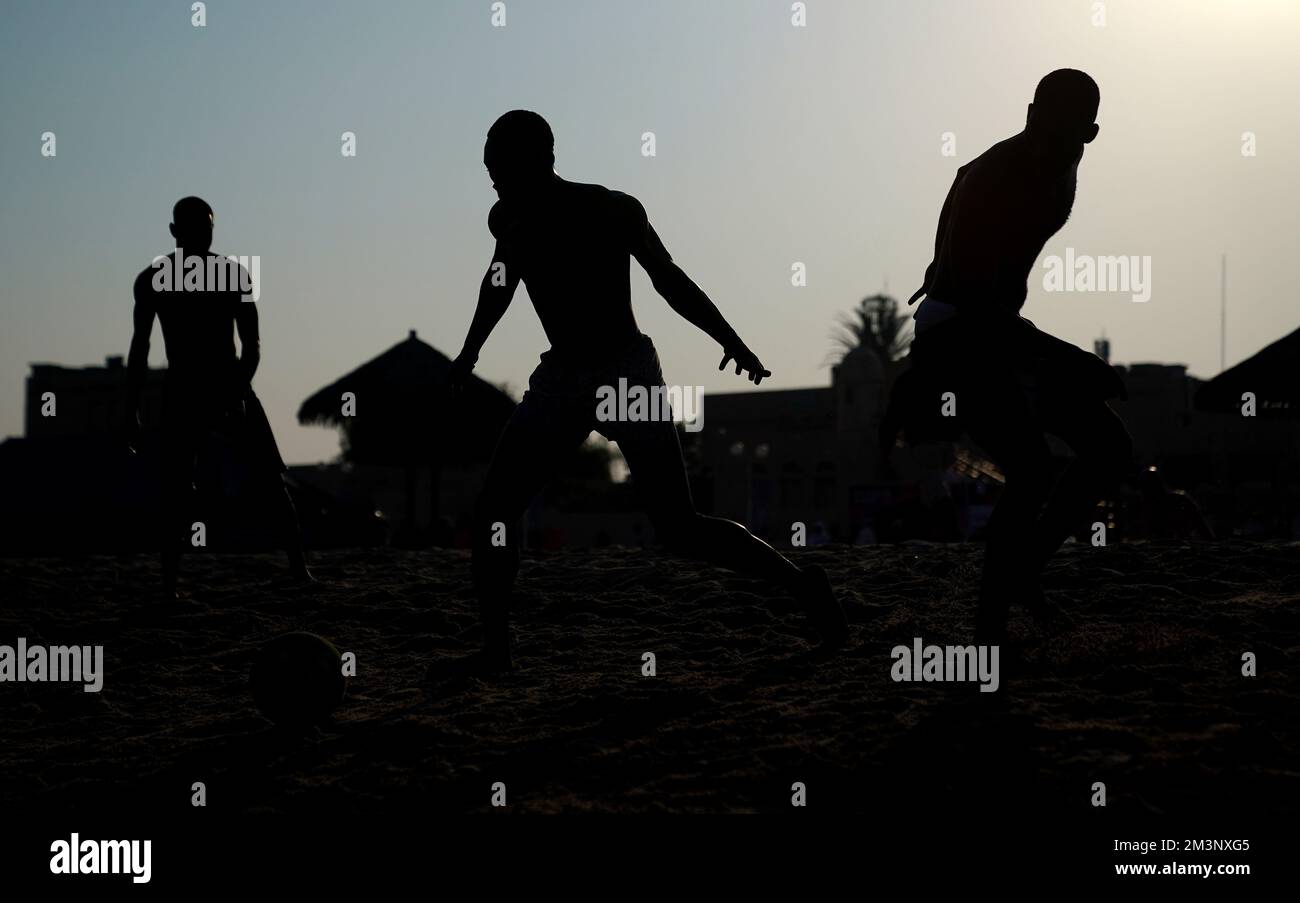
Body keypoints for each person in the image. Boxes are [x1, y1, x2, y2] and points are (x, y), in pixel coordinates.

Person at [433, 110, 848, 676]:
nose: (492, 176)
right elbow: (499, 283)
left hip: (628, 372)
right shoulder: (508, 218)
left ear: (543, 158)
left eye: (500, 164)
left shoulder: (611, 209)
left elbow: (668, 278)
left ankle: (803, 586)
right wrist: (470, 351)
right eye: (488, 166)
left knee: (679, 525)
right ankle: (497, 652)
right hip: (561, 378)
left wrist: (731, 340)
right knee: (497, 508)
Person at [902, 70, 1133, 643]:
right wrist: (1073, 359)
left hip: (1002, 329)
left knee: (1109, 448)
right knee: (1030, 468)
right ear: (1029, 114)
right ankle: (989, 625)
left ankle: (1023, 568)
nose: (1052, 145)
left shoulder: (1064, 159)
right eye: (1044, 128)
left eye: (1068, 136)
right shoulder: (993, 178)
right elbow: (979, 310)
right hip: (957, 331)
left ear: (1091, 135)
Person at [126, 196, 311, 595]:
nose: (201, 236)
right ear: (175, 232)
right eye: (193, 229)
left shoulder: (232, 275)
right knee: (176, 489)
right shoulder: (153, 280)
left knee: (271, 480)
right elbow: (139, 348)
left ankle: (299, 570)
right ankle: (169, 587)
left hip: (230, 385)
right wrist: (131, 410)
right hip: (183, 392)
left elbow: (252, 346)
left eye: (207, 228)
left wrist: (237, 391)